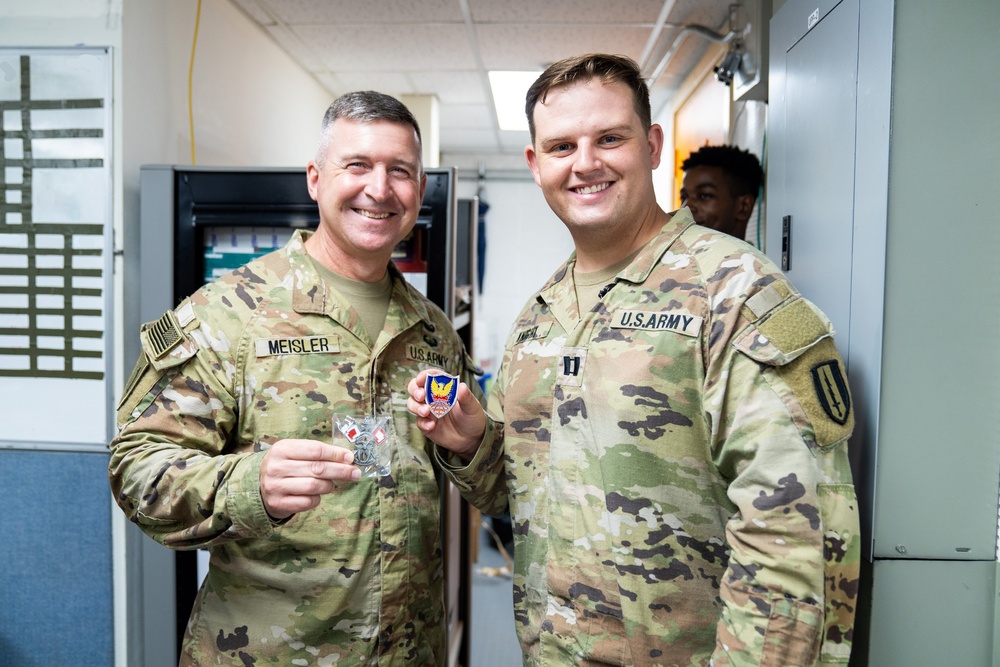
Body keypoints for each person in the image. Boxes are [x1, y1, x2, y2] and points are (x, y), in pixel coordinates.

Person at [408, 54, 859, 666]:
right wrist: (472, 445)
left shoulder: (733, 291)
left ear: (651, 146)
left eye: (609, 138)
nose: (586, 163)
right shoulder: (542, 315)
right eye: (562, 146)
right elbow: (528, 498)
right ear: (536, 165)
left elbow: (793, 536)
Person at [110, 91, 480, 666]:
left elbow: (463, 474)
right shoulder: (228, 313)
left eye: (399, 171)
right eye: (357, 165)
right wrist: (248, 486)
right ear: (315, 178)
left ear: (420, 189)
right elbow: (136, 467)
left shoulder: (433, 331)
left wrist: (471, 447)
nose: (379, 189)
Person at [679, 144, 763, 241]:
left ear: (743, 207)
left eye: (704, 196)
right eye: (684, 197)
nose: (686, 208)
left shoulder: (753, 256)